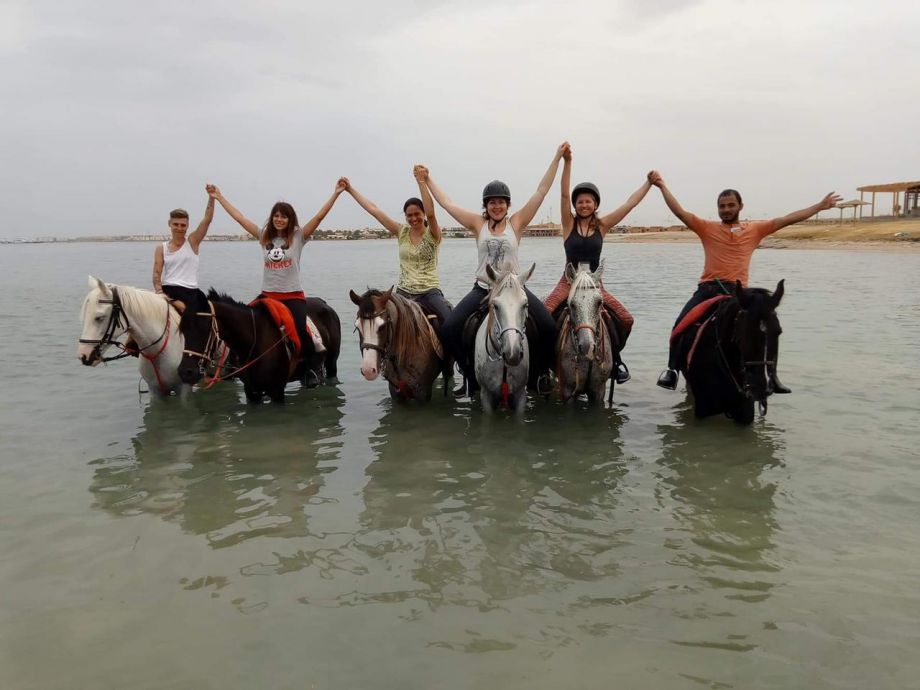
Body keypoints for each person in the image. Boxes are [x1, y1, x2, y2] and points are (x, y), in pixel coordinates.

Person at [651, 172, 841, 390]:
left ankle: (772, 376)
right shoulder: (706, 227)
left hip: (739, 293)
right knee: (680, 324)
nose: (726, 210)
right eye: (722, 206)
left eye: (731, 205)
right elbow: (679, 212)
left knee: (768, 326)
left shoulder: (755, 229)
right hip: (708, 289)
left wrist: (820, 206)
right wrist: (662, 186)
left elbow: (789, 218)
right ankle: (672, 370)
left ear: (740, 206)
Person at [419, 143, 568, 394]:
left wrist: (557, 158)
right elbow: (446, 203)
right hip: (483, 289)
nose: (496, 206)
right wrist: (428, 179)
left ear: (508, 205)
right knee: (450, 329)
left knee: (549, 328)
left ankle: (538, 374)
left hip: (513, 289)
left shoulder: (516, 222)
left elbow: (541, 191)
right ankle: (469, 375)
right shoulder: (477, 224)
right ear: (485, 205)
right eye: (492, 203)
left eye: (501, 202)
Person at [206, 181, 346, 371]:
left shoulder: (298, 236)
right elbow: (239, 218)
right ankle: (236, 363)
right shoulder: (264, 236)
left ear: (290, 219)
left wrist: (336, 193)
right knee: (244, 325)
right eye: (276, 215)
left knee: (300, 330)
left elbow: (319, 217)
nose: (279, 219)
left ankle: (311, 366)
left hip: (292, 296)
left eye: (284, 216)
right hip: (267, 295)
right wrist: (219, 197)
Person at [543, 146, 652, 384]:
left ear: (595, 204)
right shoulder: (568, 224)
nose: (584, 205)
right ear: (575, 205)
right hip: (568, 282)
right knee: (543, 314)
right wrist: (567, 162)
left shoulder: (602, 226)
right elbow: (563, 194)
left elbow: (629, 204)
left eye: (588, 201)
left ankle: (616, 360)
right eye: (580, 202)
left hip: (595, 284)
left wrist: (648, 184)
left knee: (626, 319)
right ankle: (543, 366)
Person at [337, 169, 450, 327]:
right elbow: (374, 210)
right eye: (409, 215)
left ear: (423, 214)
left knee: (450, 321)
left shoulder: (433, 234)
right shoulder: (401, 232)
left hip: (429, 292)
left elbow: (432, 214)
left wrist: (421, 181)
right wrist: (350, 189)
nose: (413, 218)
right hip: (403, 293)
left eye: (417, 214)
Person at [152, 190, 215, 311]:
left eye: (183, 225)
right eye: (176, 224)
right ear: (169, 224)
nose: (179, 228)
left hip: (191, 291)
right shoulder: (161, 248)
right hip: (169, 289)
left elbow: (207, 220)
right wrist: (160, 292)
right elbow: (156, 274)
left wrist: (211, 198)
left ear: (187, 226)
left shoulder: (193, 242)